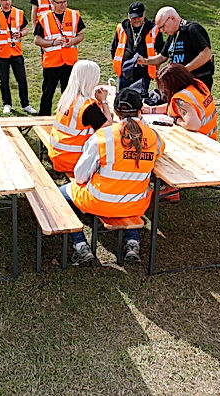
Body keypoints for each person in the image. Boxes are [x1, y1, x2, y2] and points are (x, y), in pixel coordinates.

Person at [61, 87, 165, 267]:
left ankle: (80, 245)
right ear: (140, 110)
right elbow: (159, 151)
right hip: (136, 204)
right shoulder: (153, 136)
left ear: (116, 112)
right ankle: (133, 242)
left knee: (61, 194)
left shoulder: (102, 137)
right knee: (131, 198)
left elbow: (79, 175)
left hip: (100, 202)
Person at [144, 63, 216, 202]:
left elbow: (192, 124)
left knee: (160, 146)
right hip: (209, 138)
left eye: (164, 85)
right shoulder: (197, 85)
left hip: (198, 145)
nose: (163, 89)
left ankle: (171, 188)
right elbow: (175, 107)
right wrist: (151, 110)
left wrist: (175, 121)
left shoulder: (182, 99)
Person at [47, 60, 112, 175]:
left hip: (57, 153)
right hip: (73, 159)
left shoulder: (68, 97)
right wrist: (103, 100)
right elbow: (107, 125)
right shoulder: (87, 105)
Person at [34, 0, 86, 115]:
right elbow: (37, 40)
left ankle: (67, 118)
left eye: (65, 2)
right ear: (52, 2)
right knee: (47, 94)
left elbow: (81, 35)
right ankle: (43, 119)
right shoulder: (44, 18)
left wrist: (73, 41)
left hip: (69, 62)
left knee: (69, 93)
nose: (63, 5)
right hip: (52, 63)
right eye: (60, 2)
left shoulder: (74, 15)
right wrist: (52, 42)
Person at [0, 0, 37, 115]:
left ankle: (25, 104)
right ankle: (7, 104)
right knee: (4, 81)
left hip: (16, 53)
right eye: (4, 0)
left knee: (22, 79)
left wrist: (21, 33)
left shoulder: (18, 13)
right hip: (1, 54)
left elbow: (25, 29)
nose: (7, 2)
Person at [138, 7, 214, 91]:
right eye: (159, 28)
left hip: (196, 82)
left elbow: (206, 54)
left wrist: (184, 71)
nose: (161, 31)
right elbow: (162, 57)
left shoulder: (193, 29)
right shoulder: (173, 35)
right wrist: (145, 61)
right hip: (179, 83)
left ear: (172, 18)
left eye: (162, 26)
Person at [110, 1, 163, 96]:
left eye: (139, 16)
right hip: (125, 72)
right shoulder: (122, 27)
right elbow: (114, 48)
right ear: (128, 16)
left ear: (144, 14)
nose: (136, 20)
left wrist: (156, 69)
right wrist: (117, 66)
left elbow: (161, 52)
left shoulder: (153, 28)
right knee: (123, 98)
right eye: (133, 17)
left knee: (139, 99)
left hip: (144, 73)